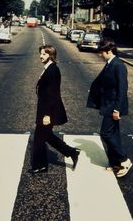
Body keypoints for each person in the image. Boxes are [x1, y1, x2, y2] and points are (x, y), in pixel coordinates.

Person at [29, 45, 80, 174]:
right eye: (40, 53)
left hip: (48, 110)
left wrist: (47, 115)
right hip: (45, 108)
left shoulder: (52, 71)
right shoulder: (49, 69)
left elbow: (52, 94)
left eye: (44, 54)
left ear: (51, 55)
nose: (41, 56)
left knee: (39, 139)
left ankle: (39, 166)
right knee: (47, 136)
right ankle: (71, 152)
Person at [86, 38, 132, 178]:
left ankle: (124, 160)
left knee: (106, 133)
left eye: (102, 52)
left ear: (109, 51)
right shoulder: (109, 63)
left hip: (113, 106)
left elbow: (122, 89)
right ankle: (115, 163)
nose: (100, 55)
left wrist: (117, 109)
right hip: (108, 104)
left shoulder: (118, 65)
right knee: (114, 134)